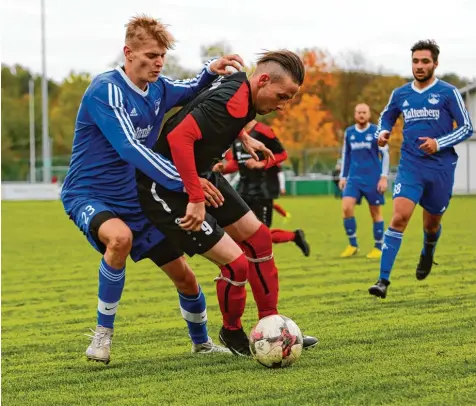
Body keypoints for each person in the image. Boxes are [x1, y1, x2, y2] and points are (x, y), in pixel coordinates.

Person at [61, 14, 245, 363]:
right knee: (119, 239)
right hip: (88, 194)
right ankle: (102, 336)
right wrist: (187, 182)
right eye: (149, 56)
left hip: (134, 199)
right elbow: (129, 147)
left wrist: (211, 69)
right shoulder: (106, 90)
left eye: (161, 55)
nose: (157, 62)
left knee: (186, 278)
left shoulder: (158, 88)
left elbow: (191, 88)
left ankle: (201, 343)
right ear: (128, 53)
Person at [137, 50, 319, 355]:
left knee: (260, 238)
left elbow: (212, 110)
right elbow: (179, 136)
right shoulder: (233, 102)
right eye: (283, 96)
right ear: (263, 80)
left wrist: (245, 138)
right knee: (236, 263)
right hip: (166, 185)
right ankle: (231, 332)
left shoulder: (243, 88)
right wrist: (195, 196)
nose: (283, 106)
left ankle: (271, 328)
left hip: (200, 175)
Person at [368, 40, 473, 298]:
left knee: (431, 225)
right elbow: (387, 115)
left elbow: (467, 127)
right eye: (415, 61)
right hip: (411, 166)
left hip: (441, 169)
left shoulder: (449, 93)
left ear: (435, 63)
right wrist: (383, 131)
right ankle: (382, 281)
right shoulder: (401, 94)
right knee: (399, 217)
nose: (419, 66)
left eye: (425, 61)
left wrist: (439, 142)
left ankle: (428, 252)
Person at [213, 120, 310, 256]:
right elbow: (236, 162)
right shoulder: (236, 132)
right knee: (239, 229)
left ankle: (293, 237)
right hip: (243, 188)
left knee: (261, 234)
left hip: (263, 188)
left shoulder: (264, 131)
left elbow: (282, 154)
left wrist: (262, 163)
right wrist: (223, 169)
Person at [338, 103, 389, 259]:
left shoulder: (376, 131)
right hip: (354, 178)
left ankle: (378, 247)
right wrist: (343, 176)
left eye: (364, 112)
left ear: (368, 115)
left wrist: (383, 177)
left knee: (375, 212)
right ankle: (353, 245)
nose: (361, 115)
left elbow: (385, 155)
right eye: (358, 112)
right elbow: (346, 154)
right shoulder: (349, 132)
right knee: (346, 207)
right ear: (355, 115)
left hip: (373, 179)